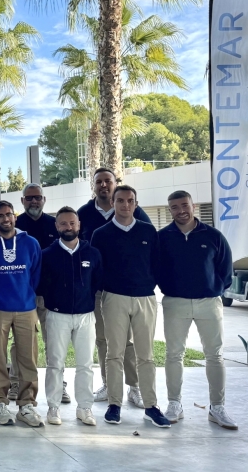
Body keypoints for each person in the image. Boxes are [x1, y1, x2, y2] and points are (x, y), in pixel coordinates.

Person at [90, 185, 170, 428]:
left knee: (145, 355)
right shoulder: (101, 234)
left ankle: (151, 406)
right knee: (114, 353)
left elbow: (157, 264)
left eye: (130, 201)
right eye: (120, 200)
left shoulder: (148, 231)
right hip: (114, 298)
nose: (125, 205)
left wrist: (149, 285)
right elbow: (98, 269)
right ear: (113, 203)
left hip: (145, 298)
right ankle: (114, 404)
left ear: (136, 203)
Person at [157, 190, 237, 430]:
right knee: (173, 354)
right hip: (175, 302)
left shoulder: (213, 236)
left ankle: (217, 407)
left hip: (208, 303)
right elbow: (156, 268)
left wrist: (213, 289)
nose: (180, 210)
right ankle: (174, 404)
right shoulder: (162, 237)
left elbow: (225, 269)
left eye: (184, 205)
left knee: (215, 355)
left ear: (193, 206)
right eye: (174, 207)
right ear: (169, 210)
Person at [77, 167, 150, 407]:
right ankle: (109, 385)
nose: (103, 185)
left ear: (115, 183)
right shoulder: (84, 213)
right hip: (99, 289)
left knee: (127, 341)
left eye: (108, 181)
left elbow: (150, 247)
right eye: (99, 182)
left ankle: (134, 386)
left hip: (129, 291)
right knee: (103, 339)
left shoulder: (135, 211)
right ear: (94, 185)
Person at [0, 200, 43, 427]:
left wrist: (25, 294)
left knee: (28, 359)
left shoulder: (30, 243)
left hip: (25, 308)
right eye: (0, 215)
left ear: (15, 216)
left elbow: (35, 275)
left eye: (9, 214)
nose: (5, 219)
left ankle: (26, 405)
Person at [38, 207, 101, 427]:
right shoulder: (47, 255)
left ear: (79, 225)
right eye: (63, 223)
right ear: (57, 227)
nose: (68, 227)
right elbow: (41, 285)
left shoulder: (92, 253)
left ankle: (85, 408)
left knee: (85, 364)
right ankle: (53, 407)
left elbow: (97, 283)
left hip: (85, 316)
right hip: (57, 316)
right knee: (55, 364)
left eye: (72, 223)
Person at [10, 183, 67, 404]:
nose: (34, 201)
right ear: (22, 201)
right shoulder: (15, 226)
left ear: (44, 200)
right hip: (23, 296)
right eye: (29, 197)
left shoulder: (55, 225)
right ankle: (15, 382)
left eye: (38, 197)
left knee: (54, 341)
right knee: (21, 343)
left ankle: (59, 386)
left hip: (51, 295)